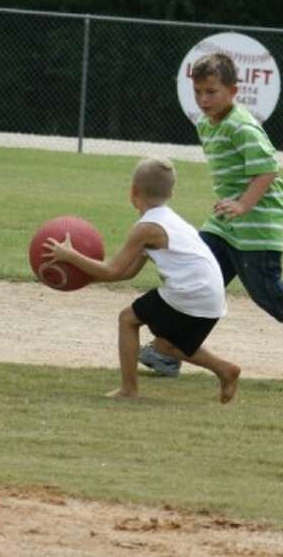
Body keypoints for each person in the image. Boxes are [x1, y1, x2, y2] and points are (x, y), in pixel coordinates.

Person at [139, 52, 283, 390]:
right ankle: (170, 352)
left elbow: (268, 169)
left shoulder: (241, 125)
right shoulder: (205, 123)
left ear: (233, 90)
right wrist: (235, 207)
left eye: (211, 91)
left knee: (266, 291)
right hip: (227, 221)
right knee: (200, 278)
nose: (204, 99)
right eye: (198, 91)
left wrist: (243, 204)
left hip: (260, 221)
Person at [43, 156, 240, 403]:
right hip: (210, 296)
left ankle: (128, 390)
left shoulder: (147, 228)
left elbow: (113, 270)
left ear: (133, 191)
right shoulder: (167, 220)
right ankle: (225, 369)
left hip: (190, 293)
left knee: (127, 319)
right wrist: (85, 280)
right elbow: (128, 272)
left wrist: (69, 256)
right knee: (165, 347)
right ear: (172, 192)